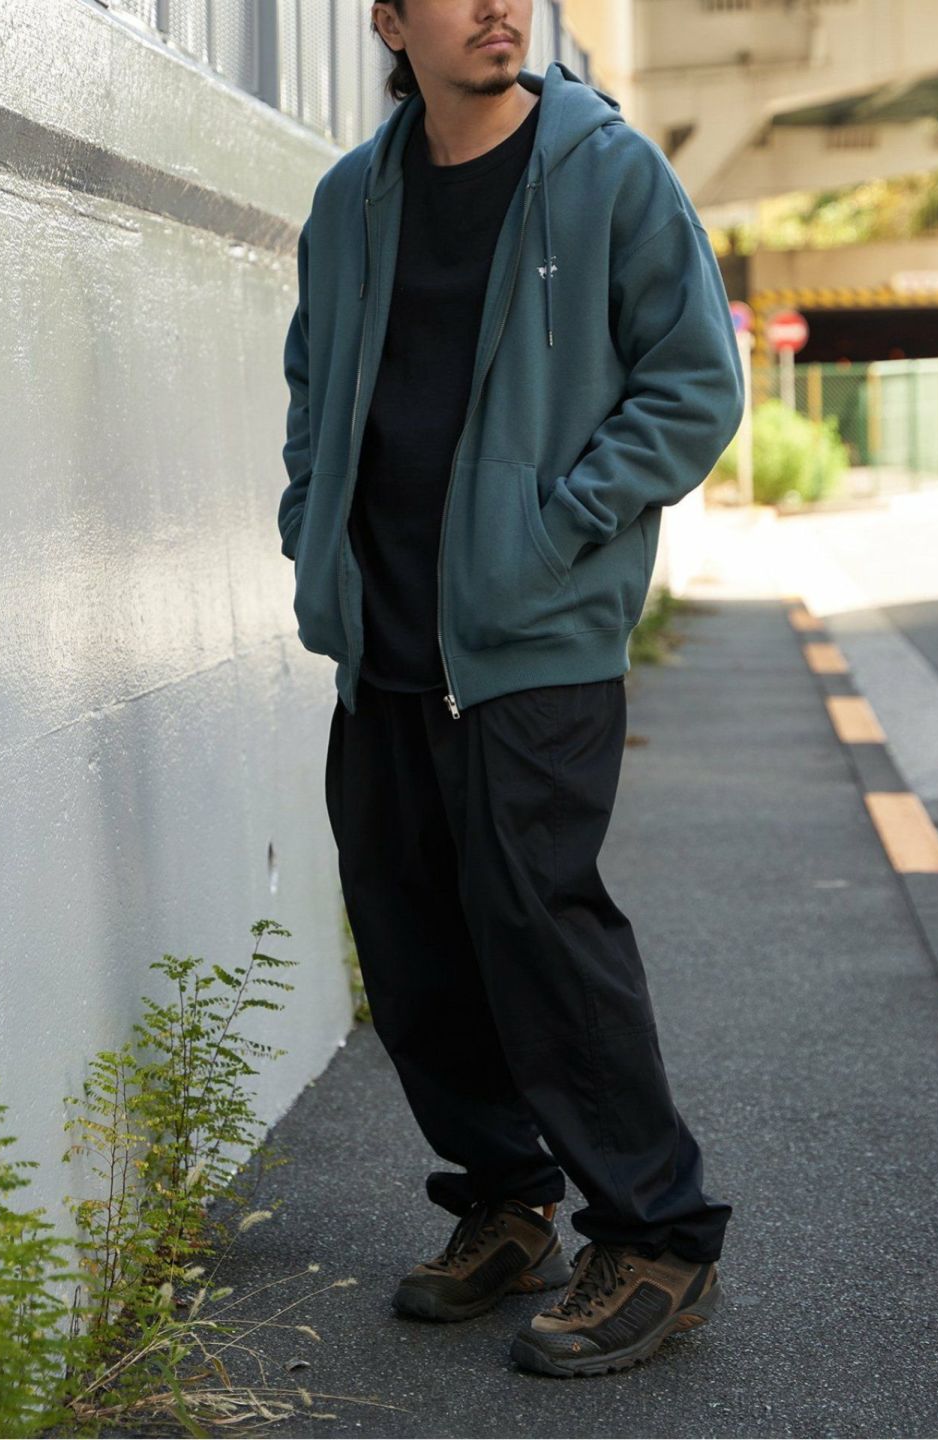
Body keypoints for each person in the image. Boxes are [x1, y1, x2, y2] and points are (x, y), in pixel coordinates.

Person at [277, 0, 743, 1379]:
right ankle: (506, 1198)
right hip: (385, 636)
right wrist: (311, 519)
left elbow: (693, 384)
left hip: (533, 636)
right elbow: (312, 381)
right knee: (408, 934)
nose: (496, 6)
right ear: (389, 20)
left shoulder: (608, 173)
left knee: (539, 927)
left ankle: (658, 1234)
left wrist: (558, 529)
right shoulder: (351, 199)